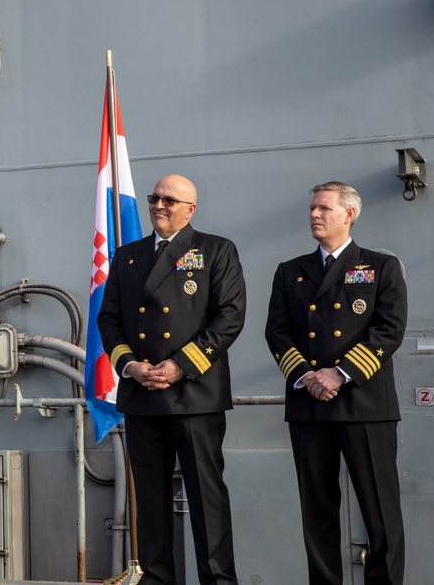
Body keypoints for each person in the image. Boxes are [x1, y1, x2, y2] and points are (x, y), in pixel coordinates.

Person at [98, 174, 246, 585]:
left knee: (206, 498)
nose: (159, 205)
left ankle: (217, 581)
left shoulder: (215, 250)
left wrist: (181, 365)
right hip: (142, 394)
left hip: (194, 395)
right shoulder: (128, 256)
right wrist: (130, 365)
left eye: (169, 200)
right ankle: (157, 580)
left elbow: (230, 315)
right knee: (149, 499)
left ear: (190, 209)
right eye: (154, 198)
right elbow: (108, 319)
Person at [265, 181, 406, 585]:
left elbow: (388, 330)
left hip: (364, 405)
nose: (314, 214)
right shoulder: (290, 271)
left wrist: (339, 373)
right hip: (310, 405)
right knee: (318, 514)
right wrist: (306, 376)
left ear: (349, 214)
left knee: (380, 513)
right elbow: (277, 332)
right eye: (312, 208)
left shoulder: (380, 266)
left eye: (324, 208)